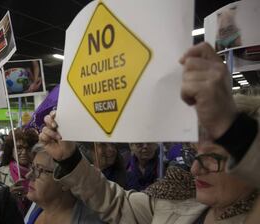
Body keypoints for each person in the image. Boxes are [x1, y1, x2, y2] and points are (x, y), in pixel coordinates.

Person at [38, 42, 258, 224]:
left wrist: (232, 126)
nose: (195, 169)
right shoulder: (178, 203)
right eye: (194, 155)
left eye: (212, 158)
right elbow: (116, 202)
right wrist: (70, 158)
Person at [25, 143, 104, 224]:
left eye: (40, 170)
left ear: (67, 181)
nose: (28, 175)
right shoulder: (39, 205)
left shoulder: (89, 220)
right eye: (32, 167)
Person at [0, 128, 38, 215]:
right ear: (11, 150)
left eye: (28, 148)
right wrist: (7, 196)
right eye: (19, 148)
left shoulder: (42, 173)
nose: (24, 152)